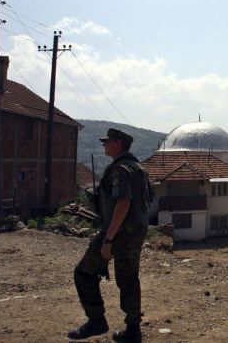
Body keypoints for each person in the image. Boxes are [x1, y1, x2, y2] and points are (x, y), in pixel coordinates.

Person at [69, 128, 150, 342]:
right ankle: (133, 330)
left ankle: (96, 320)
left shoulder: (120, 170)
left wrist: (108, 240)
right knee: (129, 279)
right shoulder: (138, 168)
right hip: (136, 231)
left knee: (84, 272)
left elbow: (123, 203)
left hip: (119, 232)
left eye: (108, 141)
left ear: (118, 144)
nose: (104, 145)